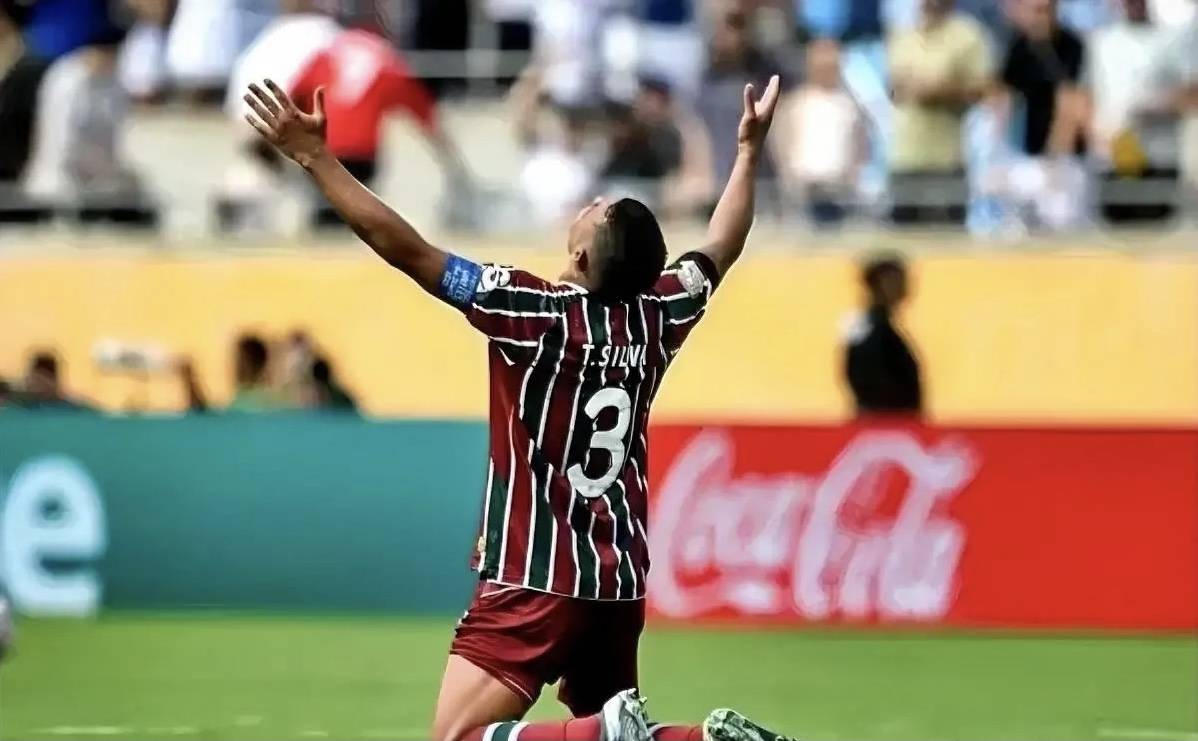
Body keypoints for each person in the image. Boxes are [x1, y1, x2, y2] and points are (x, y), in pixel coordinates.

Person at [242, 73, 796, 741]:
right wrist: (748, 152)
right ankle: (703, 740)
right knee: (621, 734)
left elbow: (409, 251)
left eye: (601, 209)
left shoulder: (534, 311)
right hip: (617, 575)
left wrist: (315, 158)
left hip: (534, 571)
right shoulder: (661, 312)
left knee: (459, 738)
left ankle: (602, 731)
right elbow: (723, 244)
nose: (593, 200)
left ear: (583, 253)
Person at [889, 0, 992, 226]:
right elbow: (894, 90)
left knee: (948, 239)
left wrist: (940, 90)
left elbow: (981, 89)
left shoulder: (967, 36)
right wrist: (909, 89)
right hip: (905, 158)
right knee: (902, 236)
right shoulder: (903, 36)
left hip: (947, 159)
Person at [998, 0, 1091, 230]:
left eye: (1045, 10)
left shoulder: (1071, 46)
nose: (1040, 17)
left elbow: (1070, 103)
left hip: (1065, 159)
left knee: (1063, 225)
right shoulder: (1020, 46)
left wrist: (1056, 157)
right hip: (1030, 156)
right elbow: (1003, 95)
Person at [1087, 0, 1180, 224]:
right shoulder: (1102, 42)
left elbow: (1189, 93)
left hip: (1158, 157)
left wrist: (1154, 106)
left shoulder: (1170, 39)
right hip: (1112, 157)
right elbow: (1086, 96)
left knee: (1156, 231)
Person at [773, 38, 866, 227]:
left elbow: (859, 145)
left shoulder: (849, 105)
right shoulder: (796, 102)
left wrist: (853, 175)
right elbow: (781, 141)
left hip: (839, 191)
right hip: (803, 191)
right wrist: (787, 176)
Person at [843, 255, 922, 416]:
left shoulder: (874, 326)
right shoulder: (870, 328)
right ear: (883, 282)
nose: (904, 286)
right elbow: (867, 379)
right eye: (898, 280)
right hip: (884, 421)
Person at [18, 351, 90, 410]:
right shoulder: (24, 399)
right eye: (34, 380)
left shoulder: (70, 402)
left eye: (40, 381)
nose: (34, 385)